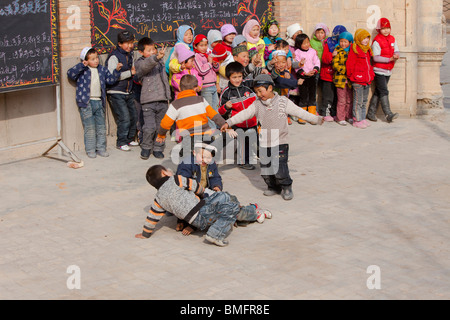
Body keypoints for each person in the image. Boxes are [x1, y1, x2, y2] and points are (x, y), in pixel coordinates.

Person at [221, 74, 324, 200]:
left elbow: (299, 112)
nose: (258, 94)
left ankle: (286, 186)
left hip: (280, 140)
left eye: (260, 91)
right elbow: (244, 114)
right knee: (265, 169)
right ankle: (273, 187)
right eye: (256, 92)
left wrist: (315, 119)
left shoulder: (283, 102)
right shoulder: (257, 104)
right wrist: (229, 122)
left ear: (270, 88)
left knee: (280, 166)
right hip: (264, 142)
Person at [135, 164, 272, 246]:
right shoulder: (176, 179)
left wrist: (145, 234)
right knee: (227, 199)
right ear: (165, 173)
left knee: (227, 210)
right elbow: (196, 187)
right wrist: (203, 194)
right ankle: (216, 234)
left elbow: (151, 218)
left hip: (196, 223)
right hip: (202, 210)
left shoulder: (158, 198)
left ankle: (256, 213)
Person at [156, 74, 235, 156]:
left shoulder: (175, 104)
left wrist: (161, 135)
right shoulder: (201, 100)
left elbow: (165, 123)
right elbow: (214, 115)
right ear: (195, 88)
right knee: (206, 155)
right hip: (205, 135)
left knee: (189, 158)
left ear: (179, 88)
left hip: (188, 138)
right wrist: (225, 125)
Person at [67, 47, 121, 158]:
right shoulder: (83, 70)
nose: (96, 60)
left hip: (99, 101)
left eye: (96, 58)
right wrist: (82, 65)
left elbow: (110, 80)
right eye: (92, 59)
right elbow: (70, 74)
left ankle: (101, 148)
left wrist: (116, 71)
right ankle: (90, 149)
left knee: (101, 127)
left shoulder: (102, 69)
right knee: (90, 127)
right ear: (85, 60)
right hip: (86, 102)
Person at [134, 37, 171, 160]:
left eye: (153, 49)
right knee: (149, 127)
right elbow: (145, 67)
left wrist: (167, 96)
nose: (152, 52)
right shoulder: (139, 63)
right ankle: (146, 147)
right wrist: (156, 57)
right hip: (148, 101)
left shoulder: (160, 62)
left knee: (161, 127)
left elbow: (165, 80)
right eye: (148, 50)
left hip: (162, 100)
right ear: (141, 52)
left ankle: (158, 148)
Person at [175, 142, 222, 235]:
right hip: (190, 191)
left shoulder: (212, 164)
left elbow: (215, 177)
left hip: (204, 191)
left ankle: (193, 225)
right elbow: (184, 181)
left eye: (208, 158)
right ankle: (181, 220)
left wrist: (216, 186)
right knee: (189, 204)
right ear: (194, 153)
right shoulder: (186, 163)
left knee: (209, 204)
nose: (205, 160)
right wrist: (195, 192)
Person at [218, 62, 258, 170]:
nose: (237, 79)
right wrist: (226, 107)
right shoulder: (226, 93)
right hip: (237, 124)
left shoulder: (248, 86)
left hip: (252, 121)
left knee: (252, 140)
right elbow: (220, 112)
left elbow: (258, 79)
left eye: (239, 76)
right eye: (234, 77)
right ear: (228, 77)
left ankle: (253, 155)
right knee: (243, 140)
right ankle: (243, 162)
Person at [106, 31, 138, 151]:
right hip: (116, 92)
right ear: (119, 44)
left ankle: (130, 139)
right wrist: (130, 73)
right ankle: (121, 142)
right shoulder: (114, 57)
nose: (130, 46)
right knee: (124, 117)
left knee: (133, 116)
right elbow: (111, 77)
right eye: (127, 43)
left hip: (128, 91)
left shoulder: (130, 55)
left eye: (131, 43)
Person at [366, 18, 400, 123]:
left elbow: (397, 50)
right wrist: (389, 59)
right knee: (384, 91)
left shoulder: (392, 39)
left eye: (387, 28)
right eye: (383, 28)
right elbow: (375, 57)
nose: (386, 30)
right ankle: (388, 114)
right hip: (379, 70)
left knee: (378, 91)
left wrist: (397, 55)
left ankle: (371, 113)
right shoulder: (377, 41)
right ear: (379, 29)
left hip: (388, 70)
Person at [346, 29, 375, 129]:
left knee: (364, 101)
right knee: (358, 101)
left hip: (366, 80)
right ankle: (357, 119)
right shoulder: (355, 49)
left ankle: (362, 118)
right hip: (357, 80)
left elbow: (369, 65)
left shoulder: (367, 50)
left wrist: (371, 74)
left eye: (367, 38)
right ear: (358, 39)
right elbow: (350, 64)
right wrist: (352, 76)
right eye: (364, 38)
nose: (366, 40)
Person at [320, 25, 347, 121]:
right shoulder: (329, 43)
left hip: (338, 76)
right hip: (328, 74)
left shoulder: (344, 45)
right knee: (328, 96)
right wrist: (332, 55)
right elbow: (324, 59)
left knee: (337, 97)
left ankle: (334, 113)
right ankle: (325, 112)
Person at [193, 34, 220, 129]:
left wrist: (215, 64)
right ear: (195, 46)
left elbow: (216, 70)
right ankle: (211, 130)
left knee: (215, 109)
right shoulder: (196, 56)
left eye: (206, 45)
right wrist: (209, 63)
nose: (204, 48)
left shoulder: (208, 55)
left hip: (212, 85)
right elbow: (201, 70)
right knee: (208, 110)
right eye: (201, 45)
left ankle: (217, 128)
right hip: (205, 87)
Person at [294, 34, 321, 120]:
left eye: (307, 42)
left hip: (312, 76)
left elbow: (316, 61)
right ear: (299, 44)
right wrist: (304, 73)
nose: (307, 44)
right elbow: (297, 66)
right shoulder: (297, 52)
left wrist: (315, 70)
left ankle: (312, 113)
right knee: (303, 95)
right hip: (303, 77)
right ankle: (302, 115)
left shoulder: (312, 51)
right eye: (304, 43)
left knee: (312, 94)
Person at [332, 31, 354, 126]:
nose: (343, 44)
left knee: (349, 99)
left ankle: (348, 116)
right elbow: (335, 64)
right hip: (340, 79)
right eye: (341, 41)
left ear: (350, 43)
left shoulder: (352, 51)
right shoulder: (337, 51)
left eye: (345, 42)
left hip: (349, 80)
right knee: (342, 100)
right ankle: (340, 118)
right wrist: (346, 70)